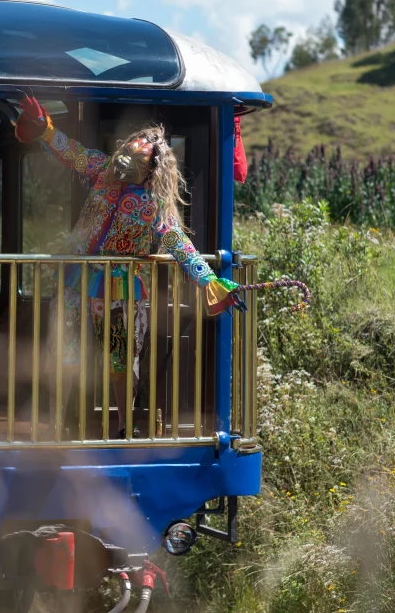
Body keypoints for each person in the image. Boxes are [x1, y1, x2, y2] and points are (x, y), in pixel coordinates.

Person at [14, 96, 243, 438]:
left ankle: (123, 425)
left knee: (120, 359)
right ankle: (54, 424)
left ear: (152, 166)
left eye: (135, 157)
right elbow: (75, 154)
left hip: (117, 288)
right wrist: (47, 131)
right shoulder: (104, 172)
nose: (124, 161)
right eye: (125, 153)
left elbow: (180, 243)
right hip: (76, 278)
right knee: (64, 352)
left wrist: (209, 280)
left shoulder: (154, 206)